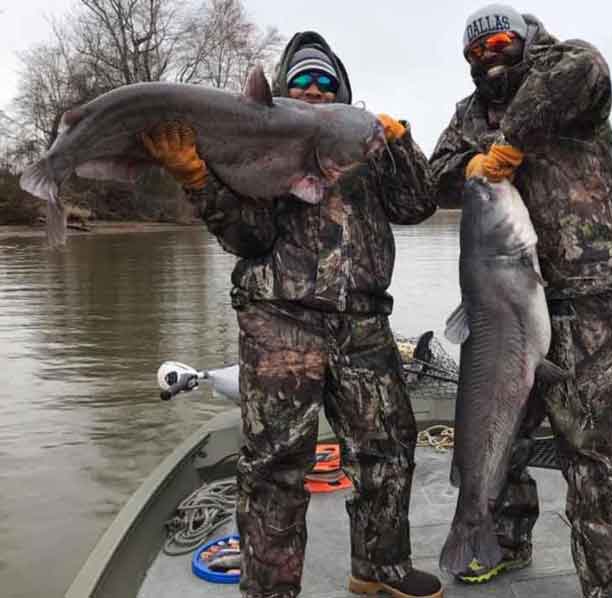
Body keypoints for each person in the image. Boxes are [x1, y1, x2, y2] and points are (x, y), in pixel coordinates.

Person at [142, 31, 443, 598]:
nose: (312, 89)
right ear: (281, 90)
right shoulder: (258, 145)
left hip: (363, 323)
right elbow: (247, 237)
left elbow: (418, 204)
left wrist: (399, 139)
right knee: (275, 466)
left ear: (343, 91)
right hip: (279, 322)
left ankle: (380, 568)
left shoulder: (367, 149)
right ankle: (270, 590)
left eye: (324, 81)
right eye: (300, 80)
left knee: (388, 448)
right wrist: (197, 178)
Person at [430, 5, 612, 597]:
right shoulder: (469, 114)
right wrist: (473, 164)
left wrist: (510, 141)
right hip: (502, 302)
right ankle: (497, 539)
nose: (487, 58)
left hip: (588, 296)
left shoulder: (569, 71)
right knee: (503, 437)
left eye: (498, 42)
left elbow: (587, 67)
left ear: (524, 40)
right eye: (475, 53)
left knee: (599, 458)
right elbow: (437, 177)